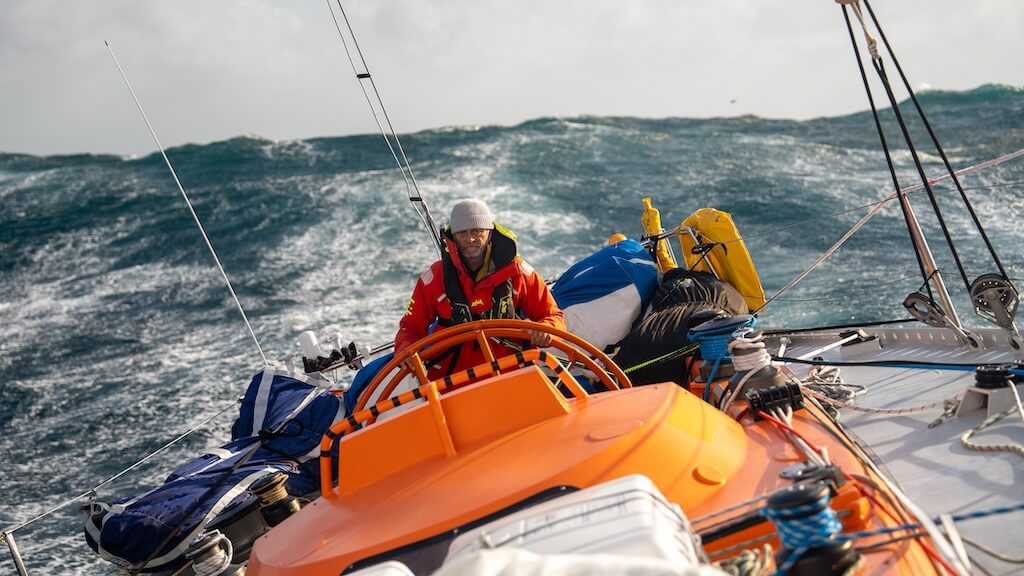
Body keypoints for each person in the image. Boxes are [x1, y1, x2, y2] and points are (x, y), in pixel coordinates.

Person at [395, 199, 566, 379]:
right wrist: (405, 349)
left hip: (513, 376)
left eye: (477, 231)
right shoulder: (434, 279)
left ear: (489, 233)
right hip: (453, 384)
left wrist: (546, 330)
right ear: (453, 237)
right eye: (462, 233)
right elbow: (409, 328)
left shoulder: (518, 272)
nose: (470, 239)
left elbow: (554, 316)